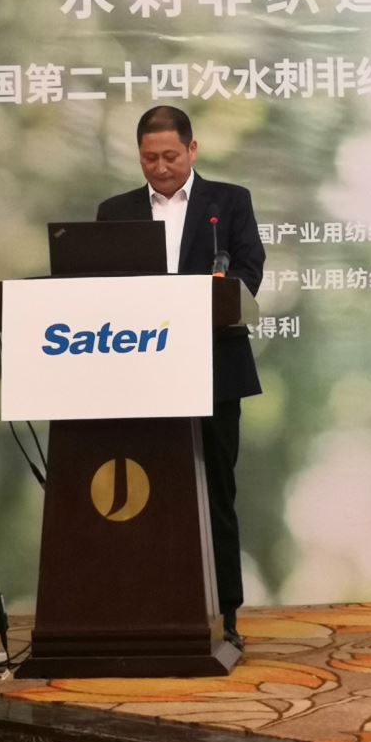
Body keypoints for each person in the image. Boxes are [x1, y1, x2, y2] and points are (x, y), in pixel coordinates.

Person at [95, 105, 265, 650]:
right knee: (146, 491)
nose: (161, 167)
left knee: (215, 491)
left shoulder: (229, 202)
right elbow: (97, 285)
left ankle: (225, 612)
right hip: (139, 372)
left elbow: (249, 272)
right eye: (150, 158)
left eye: (171, 155)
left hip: (214, 367)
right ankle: (145, 606)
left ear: (193, 150)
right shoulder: (115, 211)